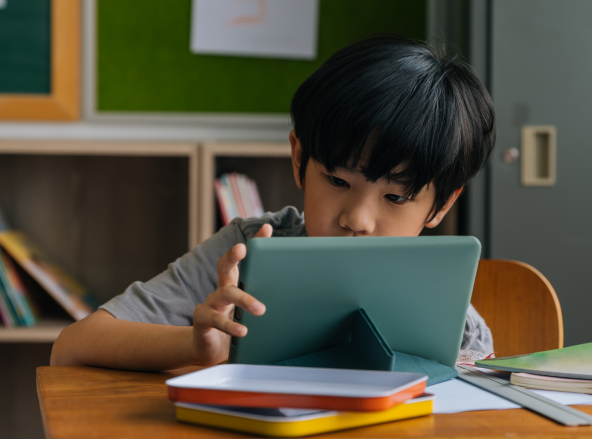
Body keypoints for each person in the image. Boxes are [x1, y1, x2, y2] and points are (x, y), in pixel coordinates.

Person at [50, 36, 496, 370]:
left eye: (396, 197)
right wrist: (195, 347)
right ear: (300, 158)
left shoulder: (450, 315)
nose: (356, 219)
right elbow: (72, 347)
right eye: (337, 180)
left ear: (440, 206)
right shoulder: (244, 251)